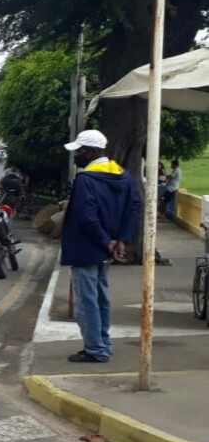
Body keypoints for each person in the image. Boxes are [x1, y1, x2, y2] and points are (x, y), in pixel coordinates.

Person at [60, 129, 142, 363]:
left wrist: (106, 241)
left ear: (91, 152)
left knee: (86, 302)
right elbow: (135, 207)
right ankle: (103, 343)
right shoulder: (123, 176)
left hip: (87, 248)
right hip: (109, 248)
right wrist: (121, 240)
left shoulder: (86, 179)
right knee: (101, 298)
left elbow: (87, 216)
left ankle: (96, 349)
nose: (76, 155)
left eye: (79, 151)